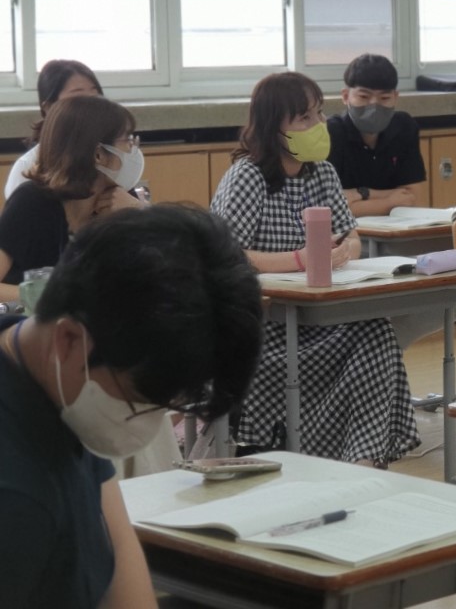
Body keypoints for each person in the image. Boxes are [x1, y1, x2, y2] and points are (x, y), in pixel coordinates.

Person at [0, 204, 264, 609]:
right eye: (142, 401)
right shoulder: (16, 495)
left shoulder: (46, 376)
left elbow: (117, 545)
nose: (151, 423)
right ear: (70, 340)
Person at [211, 71, 418, 465]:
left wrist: (347, 250)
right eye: (304, 118)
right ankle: (337, 456)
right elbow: (225, 254)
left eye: (320, 114)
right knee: (369, 341)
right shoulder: (247, 176)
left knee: (376, 331)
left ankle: (364, 461)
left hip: (320, 317)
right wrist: (299, 260)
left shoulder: (322, 172)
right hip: (266, 327)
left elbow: (350, 235)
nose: (319, 125)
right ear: (274, 127)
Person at [0, 96, 146, 303]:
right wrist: (51, 297)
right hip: (28, 326)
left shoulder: (123, 199)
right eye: (128, 141)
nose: (134, 150)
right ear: (98, 155)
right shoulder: (32, 202)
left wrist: (140, 215)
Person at [326, 53, 427, 217]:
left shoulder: (404, 128)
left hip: (395, 229)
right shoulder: (331, 132)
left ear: (395, 97)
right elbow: (328, 209)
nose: (374, 105)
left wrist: (357, 195)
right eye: (364, 97)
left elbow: (411, 197)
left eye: (384, 97)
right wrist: (389, 201)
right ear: (346, 97)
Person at [5, 59, 103, 199]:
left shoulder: (108, 155)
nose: (91, 106)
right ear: (49, 108)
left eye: (95, 96)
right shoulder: (27, 168)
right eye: (78, 97)